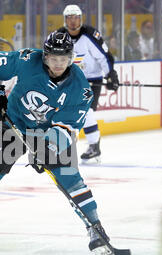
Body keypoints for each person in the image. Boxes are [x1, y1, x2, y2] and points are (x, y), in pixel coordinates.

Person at [0, 30, 114, 255]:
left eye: (63, 59)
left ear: (71, 58)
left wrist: (47, 149)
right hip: (13, 126)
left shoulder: (80, 87)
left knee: (71, 179)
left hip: (50, 133)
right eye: (53, 59)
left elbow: (68, 127)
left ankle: (95, 227)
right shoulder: (27, 59)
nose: (58, 64)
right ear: (45, 56)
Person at [57, 4, 119, 161]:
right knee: (62, 112)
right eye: (69, 18)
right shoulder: (59, 36)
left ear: (80, 19)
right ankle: (62, 146)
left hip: (91, 79)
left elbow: (104, 56)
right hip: (69, 80)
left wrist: (111, 75)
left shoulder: (90, 35)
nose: (73, 22)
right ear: (65, 20)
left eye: (76, 18)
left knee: (87, 112)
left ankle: (94, 146)